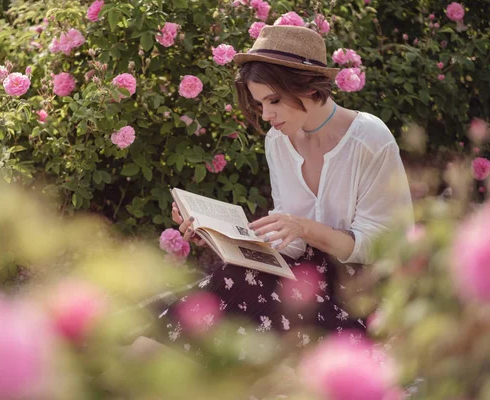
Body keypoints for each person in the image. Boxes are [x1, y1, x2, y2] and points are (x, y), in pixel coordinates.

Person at [135, 25, 413, 362]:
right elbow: (291, 242)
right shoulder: (278, 142)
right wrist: (218, 237)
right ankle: (165, 354)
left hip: (360, 293)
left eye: (274, 100)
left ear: (308, 86)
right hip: (304, 271)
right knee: (235, 276)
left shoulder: (369, 139)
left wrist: (305, 229)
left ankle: (178, 358)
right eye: (260, 103)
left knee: (245, 294)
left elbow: (385, 245)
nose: (266, 115)